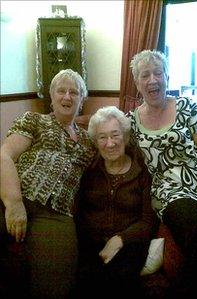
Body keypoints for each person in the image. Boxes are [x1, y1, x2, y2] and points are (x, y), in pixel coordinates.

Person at [126, 49, 197, 298]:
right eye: (145, 75)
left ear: (167, 76)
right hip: (171, 192)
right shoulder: (132, 122)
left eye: (158, 73)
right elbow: (105, 137)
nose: (153, 80)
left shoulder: (186, 107)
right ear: (137, 83)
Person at [0, 69, 96, 299]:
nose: (67, 97)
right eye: (61, 91)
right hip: (14, 195)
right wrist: (14, 204)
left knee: (58, 286)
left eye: (74, 92)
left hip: (56, 213)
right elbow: (4, 155)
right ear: (51, 97)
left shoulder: (89, 141)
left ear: (81, 100)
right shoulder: (34, 120)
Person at [74, 106, 159, 298]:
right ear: (95, 142)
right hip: (92, 242)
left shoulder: (142, 172)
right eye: (102, 137)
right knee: (86, 281)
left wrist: (119, 239)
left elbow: (148, 221)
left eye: (115, 135)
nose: (110, 143)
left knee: (120, 280)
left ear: (126, 137)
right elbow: (79, 213)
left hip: (130, 243)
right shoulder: (89, 170)